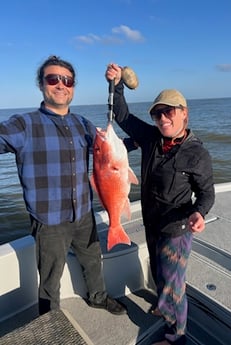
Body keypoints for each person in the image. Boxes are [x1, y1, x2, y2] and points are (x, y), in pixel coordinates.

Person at [0, 55, 127, 316]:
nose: (61, 85)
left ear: (73, 87)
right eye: (53, 79)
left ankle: (98, 297)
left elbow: (111, 151)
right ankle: (51, 320)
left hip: (83, 213)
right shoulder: (24, 124)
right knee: (49, 277)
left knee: (93, 261)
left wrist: (115, 88)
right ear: (42, 85)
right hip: (48, 221)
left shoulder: (83, 123)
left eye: (67, 80)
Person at [105, 63, 215, 345]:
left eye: (169, 111)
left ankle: (177, 337)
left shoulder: (197, 154)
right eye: (157, 113)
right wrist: (116, 86)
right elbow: (123, 115)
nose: (162, 118)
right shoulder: (151, 138)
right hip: (152, 221)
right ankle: (164, 308)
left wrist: (199, 213)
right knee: (158, 273)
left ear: (184, 113)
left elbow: (206, 194)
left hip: (176, 229)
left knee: (173, 286)